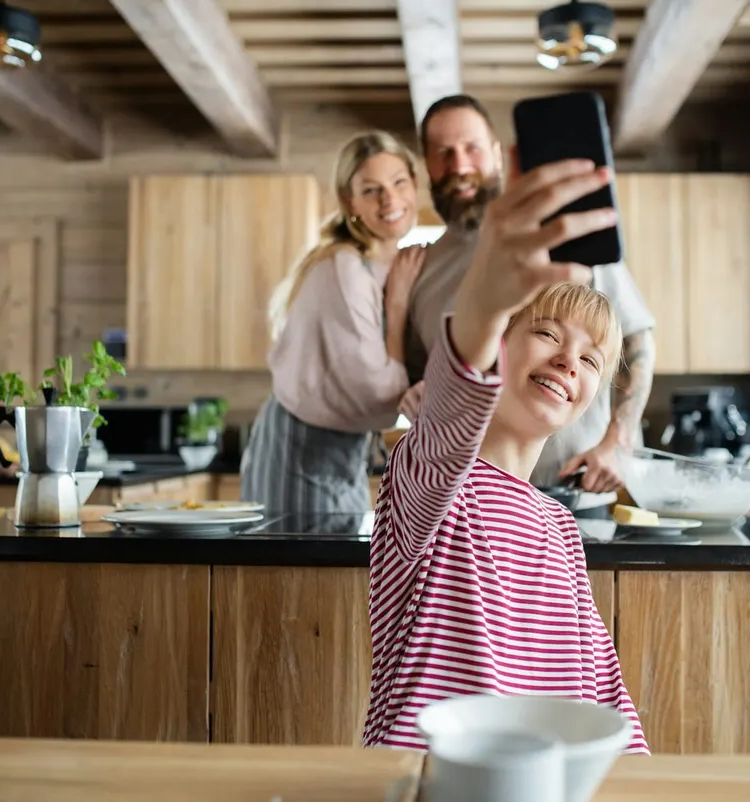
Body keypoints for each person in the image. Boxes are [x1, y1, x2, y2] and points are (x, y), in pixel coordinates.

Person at [362, 154, 649, 754]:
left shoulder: (560, 528)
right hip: (426, 785)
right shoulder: (426, 478)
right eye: (546, 333)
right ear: (497, 348)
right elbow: (447, 416)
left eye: (591, 360)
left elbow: (606, 698)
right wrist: (487, 302)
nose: (570, 361)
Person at [400, 95, 657, 512]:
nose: (460, 165)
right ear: (426, 164)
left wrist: (617, 442)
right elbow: (422, 376)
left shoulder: (559, 230)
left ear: (500, 156)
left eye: (472, 148)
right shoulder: (420, 265)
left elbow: (635, 339)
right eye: (443, 153)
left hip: (581, 495)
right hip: (473, 511)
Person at [240, 131, 426, 513]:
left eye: (398, 182)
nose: (389, 199)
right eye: (371, 190)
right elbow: (379, 389)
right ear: (349, 200)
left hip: (341, 449)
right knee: (294, 570)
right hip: (300, 447)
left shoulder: (383, 264)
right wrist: (399, 304)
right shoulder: (347, 268)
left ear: (414, 185)